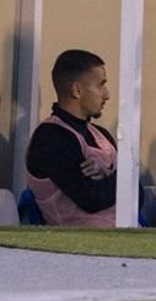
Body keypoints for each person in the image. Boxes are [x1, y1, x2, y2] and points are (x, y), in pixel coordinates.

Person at [24, 49, 116, 227]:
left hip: (122, 234)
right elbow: (91, 199)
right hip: (80, 245)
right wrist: (116, 175)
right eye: (101, 85)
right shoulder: (51, 138)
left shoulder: (102, 135)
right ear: (77, 90)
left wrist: (105, 171)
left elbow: (138, 193)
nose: (107, 95)